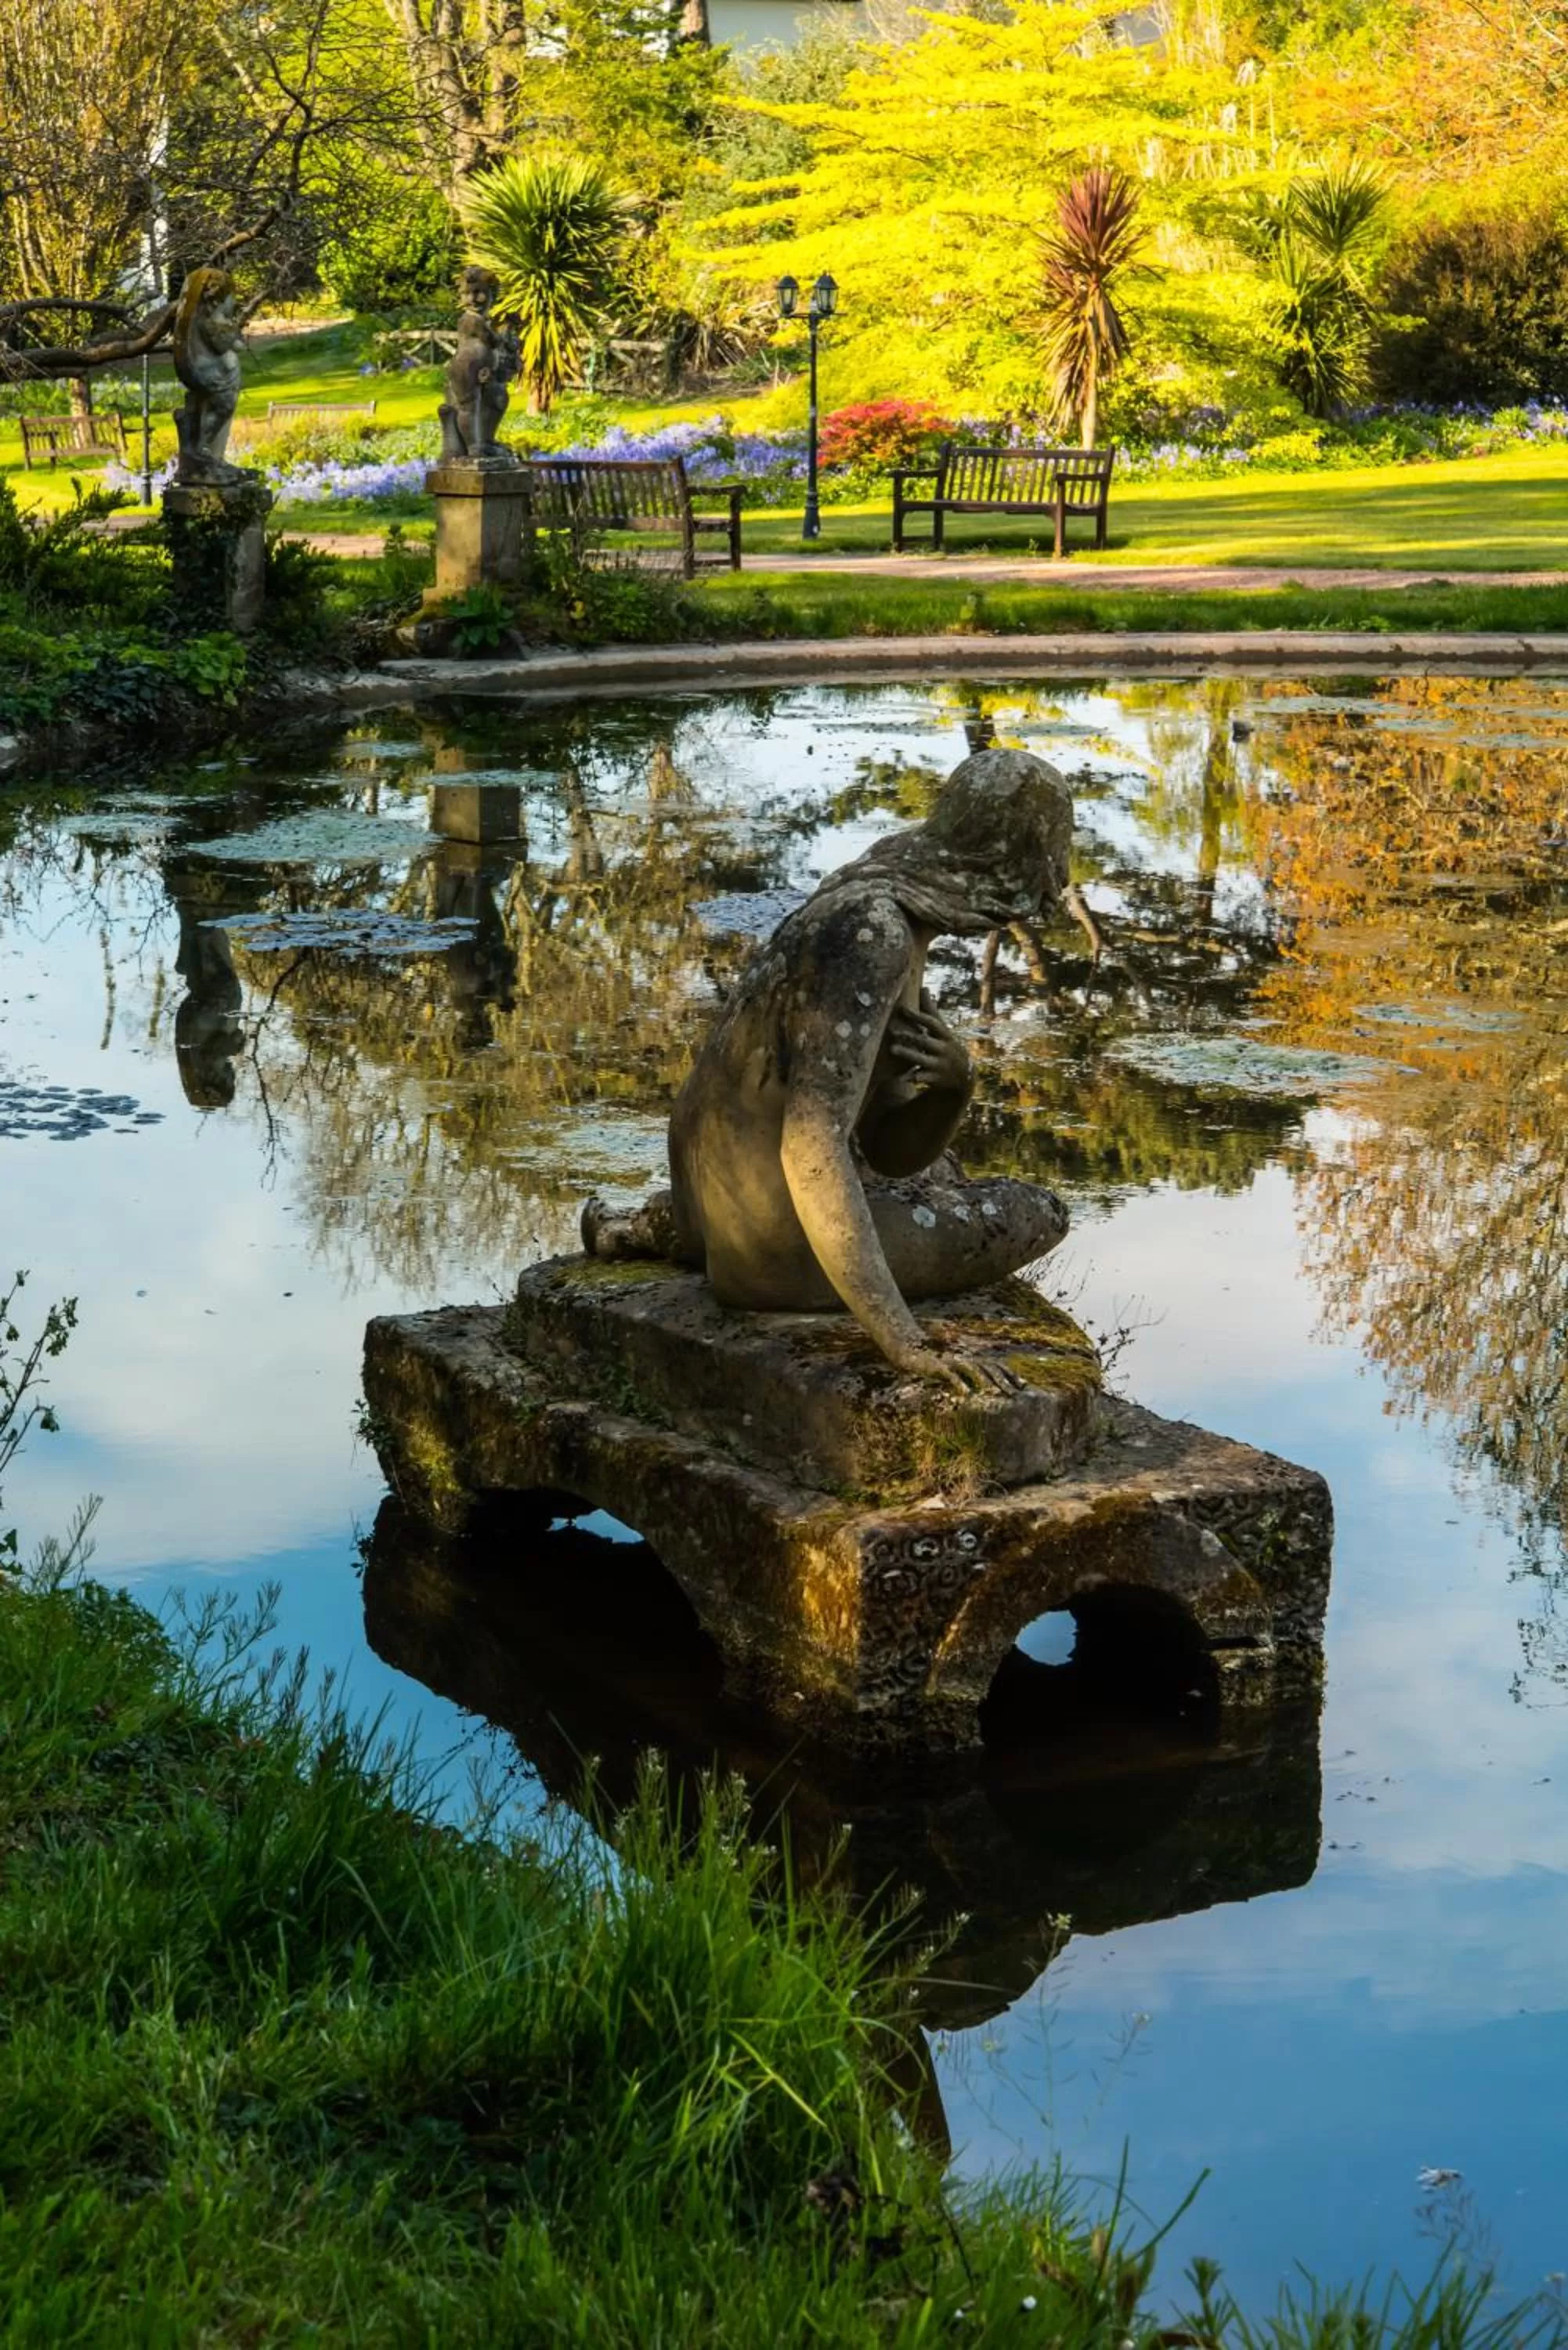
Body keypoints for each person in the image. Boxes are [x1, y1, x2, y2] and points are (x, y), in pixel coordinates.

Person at [583, 747, 1074, 1394]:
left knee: (939, 1172)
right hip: (773, 1259)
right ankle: (676, 1233)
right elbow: (812, 1146)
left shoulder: (864, 890)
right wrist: (903, 1342)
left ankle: (646, 1226)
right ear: (1020, 855)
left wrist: (955, 1088)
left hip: (710, 1214)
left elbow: (889, 1152)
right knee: (1037, 1210)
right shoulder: (879, 936)